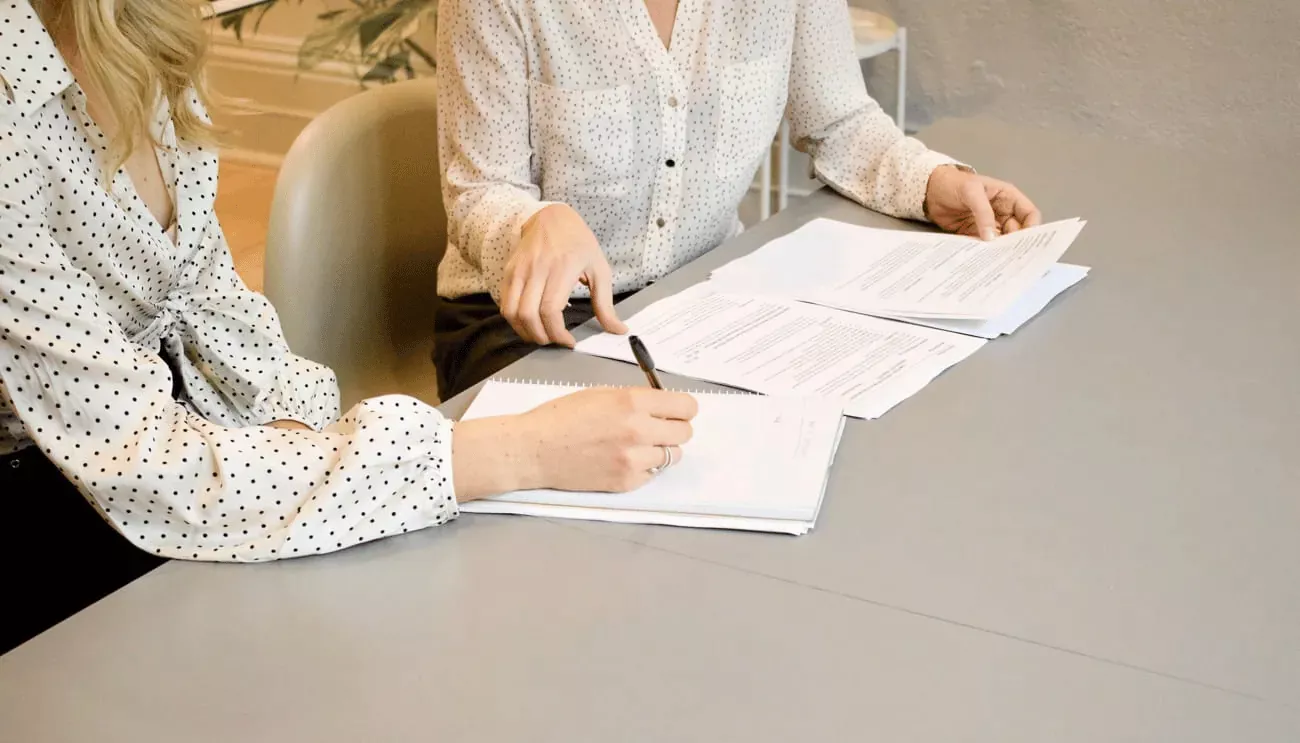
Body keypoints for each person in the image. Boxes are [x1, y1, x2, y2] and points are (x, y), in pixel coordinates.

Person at [0, 0, 697, 655]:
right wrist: (518, 452)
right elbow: (143, 462)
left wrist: (303, 442)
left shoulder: (141, 35)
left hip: (176, 455)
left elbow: (216, 312)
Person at [433, 0, 1044, 398]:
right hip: (528, 321)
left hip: (702, 301)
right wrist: (535, 223)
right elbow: (479, 190)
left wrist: (933, 182)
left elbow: (839, 121)